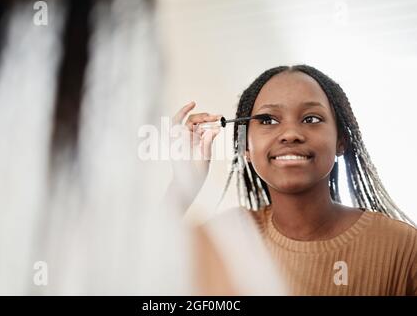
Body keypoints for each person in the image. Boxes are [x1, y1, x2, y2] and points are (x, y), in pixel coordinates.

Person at [167, 64, 417, 295]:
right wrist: (182, 185)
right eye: (268, 120)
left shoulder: (404, 249)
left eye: (311, 119)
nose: (290, 134)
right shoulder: (224, 244)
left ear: (341, 140)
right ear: (245, 147)